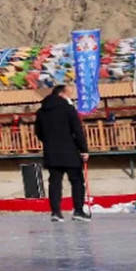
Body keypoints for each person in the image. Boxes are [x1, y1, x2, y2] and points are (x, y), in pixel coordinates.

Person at [34, 84, 90, 221]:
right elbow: (77, 131)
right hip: (70, 151)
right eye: (69, 94)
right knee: (76, 181)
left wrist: (49, 142)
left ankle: (56, 212)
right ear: (62, 94)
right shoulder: (68, 109)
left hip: (51, 152)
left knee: (55, 183)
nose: (70, 97)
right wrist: (83, 149)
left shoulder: (41, 112)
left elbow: (38, 132)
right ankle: (78, 210)